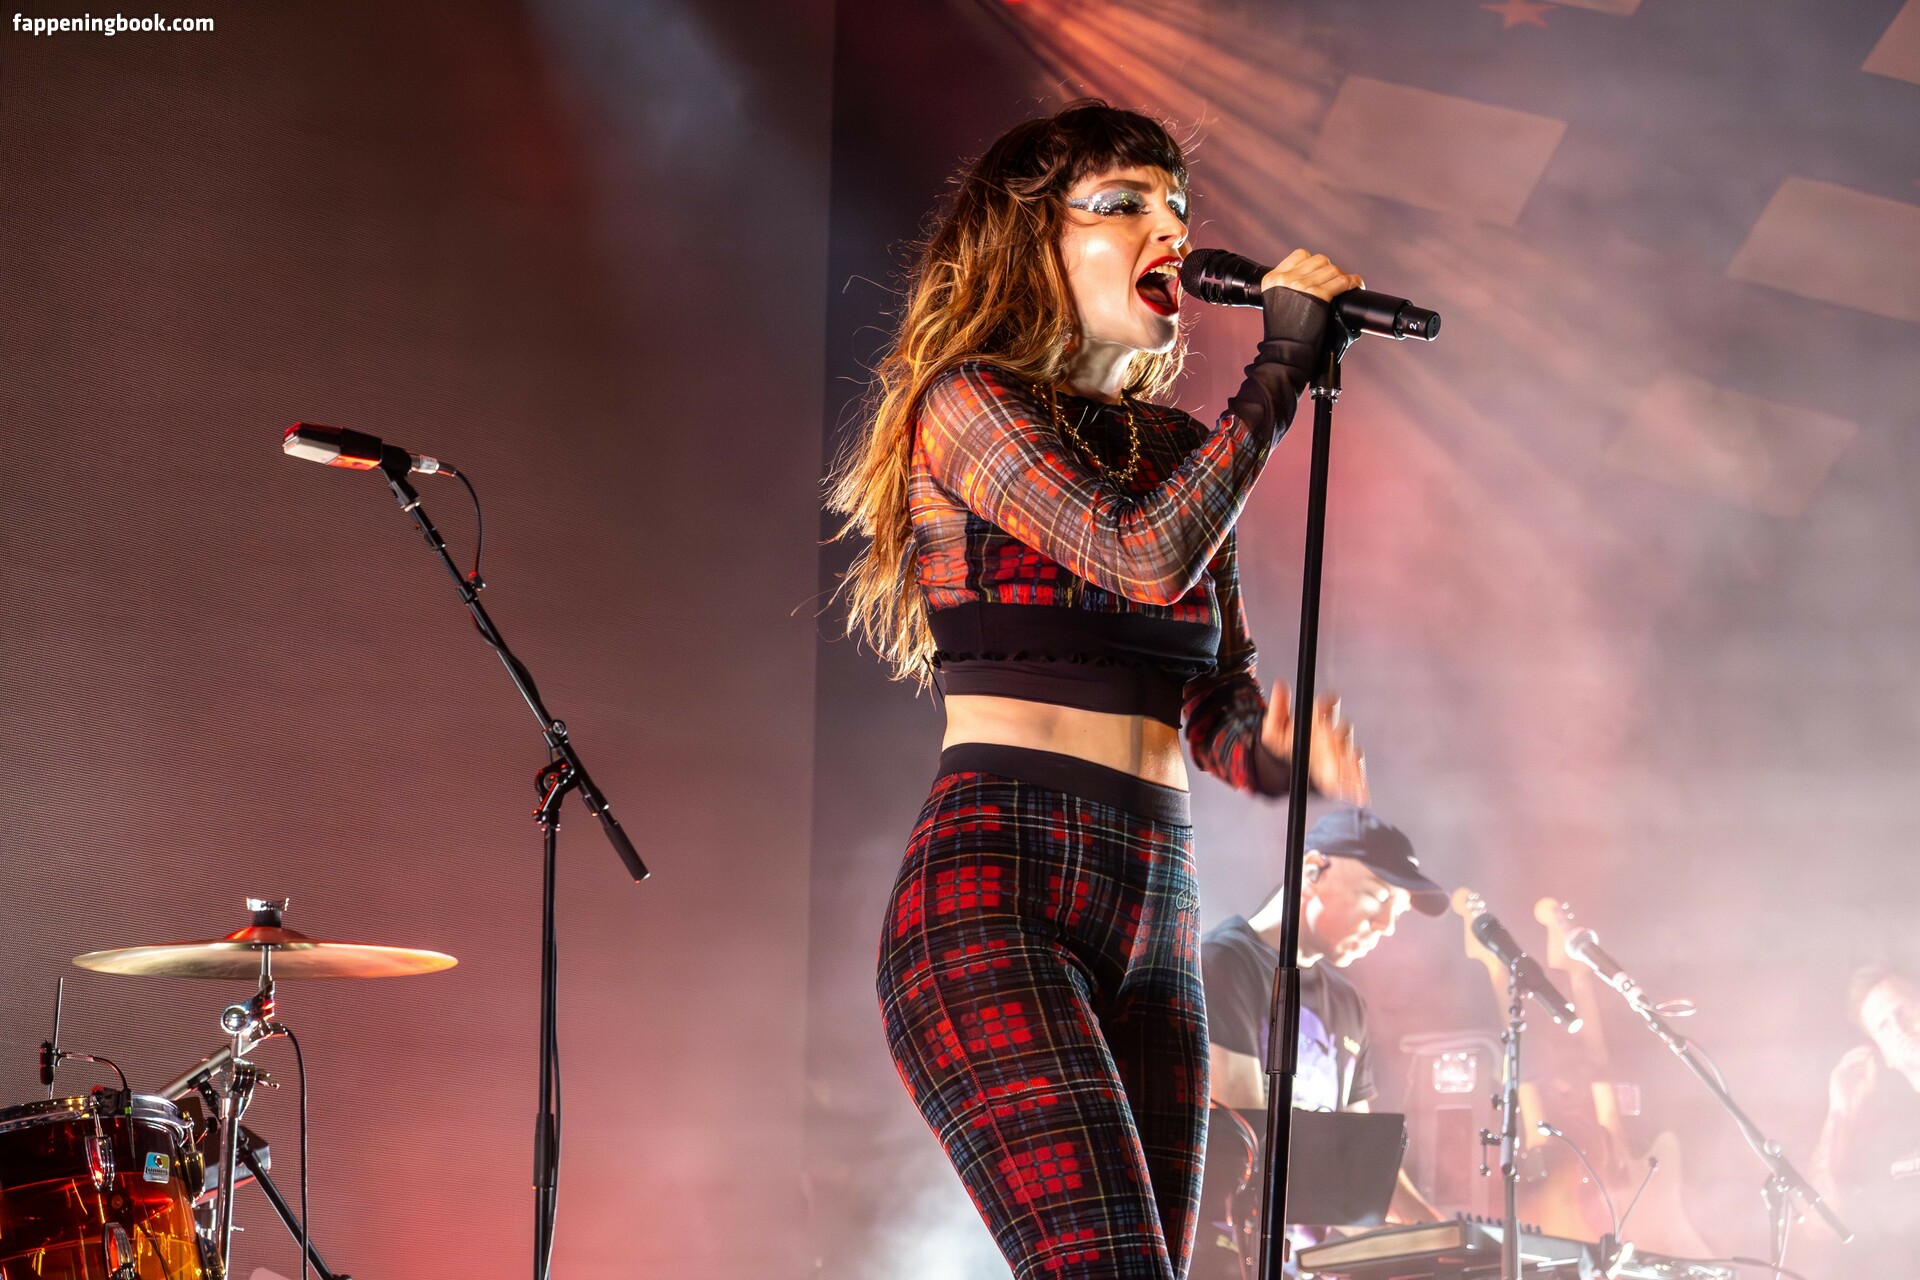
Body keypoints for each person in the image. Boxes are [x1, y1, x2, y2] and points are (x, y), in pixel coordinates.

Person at [827, 100, 1368, 1280]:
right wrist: (1280, 367)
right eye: (1122, 204)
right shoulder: (967, 404)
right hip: (999, 884)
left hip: (1157, 905)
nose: (1168, 227)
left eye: (1175, 204)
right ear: (1032, 243)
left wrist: (1275, 754)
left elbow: (1213, 695)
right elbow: (1140, 555)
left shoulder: (1178, 451)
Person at [1195, 808, 1446, 1275]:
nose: (1387, 926)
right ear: (1312, 869)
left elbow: (1360, 1172)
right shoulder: (1223, 964)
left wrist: (1448, 1241)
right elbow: (1248, 1143)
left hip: (1309, 1267)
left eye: (1398, 913)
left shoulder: (1348, 1004)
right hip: (1228, 1260)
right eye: (1377, 897)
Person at [1809, 963, 1920, 1271]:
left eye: (1905, 1010)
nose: (1898, 1027)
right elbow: (1823, 1224)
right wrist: (1841, 1110)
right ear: (1885, 1055)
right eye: (1883, 1026)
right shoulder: (1888, 1140)